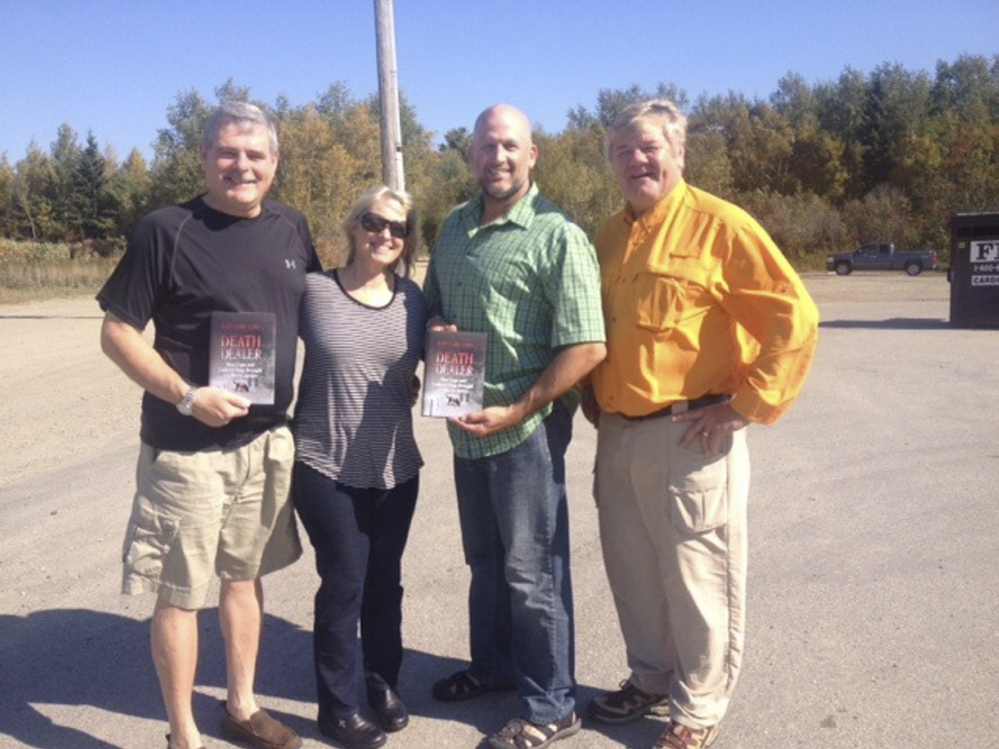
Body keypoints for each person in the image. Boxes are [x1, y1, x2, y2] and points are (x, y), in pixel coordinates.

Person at [583, 99, 820, 749]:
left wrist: (744, 405)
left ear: (678, 154)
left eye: (649, 147)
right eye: (623, 151)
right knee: (632, 573)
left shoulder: (719, 225)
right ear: (610, 163)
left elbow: (793, 316)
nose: (636, 160)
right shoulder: (605, 235)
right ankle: (651, 677)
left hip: (691, 432)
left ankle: (698, 705)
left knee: (697, 578)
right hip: (618, 432)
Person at [97, 101, 320, 749]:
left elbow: (319, 313)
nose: (240, 165)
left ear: (275, 163)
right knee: (180, 592)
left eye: (255, 154)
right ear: (203, 157)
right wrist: (188, 395)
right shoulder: (166, 230)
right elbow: (117, 333)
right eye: (227, 152)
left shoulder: (291, 227)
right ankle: (183, 732)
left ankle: (242, 706)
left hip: (262, 447)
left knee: (243, 579)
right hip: (185, 446)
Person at [423, 103, 606, 749]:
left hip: (525, 432)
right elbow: (433, 306)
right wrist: (433, 329)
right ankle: (495, 666)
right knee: (486, 562)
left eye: (510, 146)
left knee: (533, 572)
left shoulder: (558, 235)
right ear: (469, 155)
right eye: (485, 146)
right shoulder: (452, 227)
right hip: (463, 425)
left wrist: (523, 406)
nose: (497, 157)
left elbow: (586, 345)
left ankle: (553, 703)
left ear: (532, 155)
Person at [291, 186, 427, 749]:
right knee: (344, 581)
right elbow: (261, 342)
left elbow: (429, 370)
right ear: (354, 226)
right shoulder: (313, 290)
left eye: (398, 229)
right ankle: (338, 707)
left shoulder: (414, 301)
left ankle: (381, 680)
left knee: (384, 582)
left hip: (396, 466)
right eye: (375, 222)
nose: (385, 235)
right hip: (323, 462)